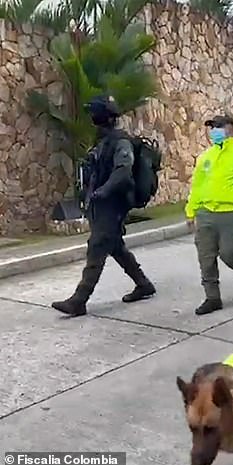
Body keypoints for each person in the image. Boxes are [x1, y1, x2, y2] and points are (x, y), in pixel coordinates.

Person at [51, 95, 156, 317]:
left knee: (98, 246)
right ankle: (143, 284)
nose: (92, 118)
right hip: (101, 205)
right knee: (115, 245)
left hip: (113, 205)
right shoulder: (103, 141)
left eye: (94, 114)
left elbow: (123, 172)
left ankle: (79, 299)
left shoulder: (120, 142)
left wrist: (104, 191)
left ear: (103, 117)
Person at [185, 115, 233, 316]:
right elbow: (197, 186)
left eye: (218, 126)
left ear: (230, 128)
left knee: (229, 253)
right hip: (206, 212)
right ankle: (212, 297)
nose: (214, 131)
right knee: (205, 257)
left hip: (232, 212)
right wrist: (191, 211)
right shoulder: (205, 157)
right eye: (211, 127)